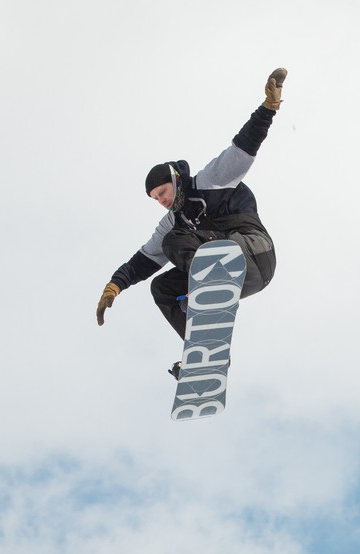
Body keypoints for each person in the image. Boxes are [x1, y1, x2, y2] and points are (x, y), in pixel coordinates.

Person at [96, 68, 288, 375]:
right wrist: (114, 287)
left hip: (253, 251)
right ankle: (207, 351)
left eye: (163, 192)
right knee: (162, 287)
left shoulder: (210, 180)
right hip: (243, 276)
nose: (161, 201)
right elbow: (144, 259)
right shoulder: (172, 220)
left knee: (176, 240)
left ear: (175, 179)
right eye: (155, 199)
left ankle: (211, 280)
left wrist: (268, 108)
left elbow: (243, 147)